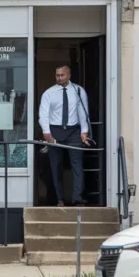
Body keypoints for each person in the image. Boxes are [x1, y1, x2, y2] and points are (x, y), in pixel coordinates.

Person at [38, 64, 91, 206]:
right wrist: (46, 132)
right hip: (55, 130)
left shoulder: (78, 91)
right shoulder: (49, 93)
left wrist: (84, 132)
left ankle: (77, 198)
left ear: (69, 75)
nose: (59, 78)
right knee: (55, 166)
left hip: (74, 131)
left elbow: (83, 113)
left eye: (62, 75)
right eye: (57, 75)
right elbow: (43, 114)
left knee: (77, 165)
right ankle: (59, 199)